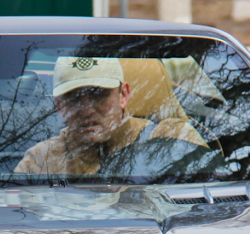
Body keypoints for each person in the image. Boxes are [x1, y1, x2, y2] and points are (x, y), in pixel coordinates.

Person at [14, 56, 207, 178]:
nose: (87, 109)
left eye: (98, 94)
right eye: (73, 98)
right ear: (59, 106)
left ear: (123, 95)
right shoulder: (41, 160)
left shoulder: (172, 138)